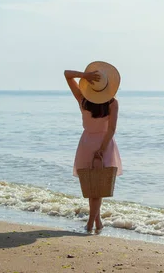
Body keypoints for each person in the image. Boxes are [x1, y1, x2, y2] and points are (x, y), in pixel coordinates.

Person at [64, 61, 123, 233]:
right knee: (97, 186)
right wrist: (103, 149)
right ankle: (94, 222)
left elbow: (67, 73)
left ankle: (95, 223)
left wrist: (84, 76)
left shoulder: (82, 99)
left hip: (86, 143)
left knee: (92, 186)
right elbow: (111, 129)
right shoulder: (113, 103)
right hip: (104, 144)